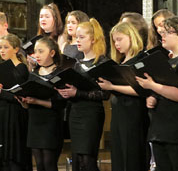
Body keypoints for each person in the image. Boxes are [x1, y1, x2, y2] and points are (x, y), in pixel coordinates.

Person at [136, 16, 178, 171]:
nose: (162, 36)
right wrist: (152, 95)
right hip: (160, 129)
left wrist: (153, 86)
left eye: (167, 32)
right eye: (162, 32)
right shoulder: (166, 60)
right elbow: (163, 86)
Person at [56, 18, 109, 171]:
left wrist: (77, 92)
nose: (77, 40)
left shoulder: (101, 62)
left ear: (93, 39)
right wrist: (66, 91)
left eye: (82, 37)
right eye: (76, 37)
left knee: (88, 158)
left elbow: (104, 94)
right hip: (75, 113)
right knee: (77, 160)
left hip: (91, 114)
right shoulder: (77, 63)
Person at [98, 21, 149, 171]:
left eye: (120, 39)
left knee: (132, 156)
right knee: (119, 155)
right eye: (114, 41)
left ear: (131, 37)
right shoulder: (120, 61)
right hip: (119, 112)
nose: (116, 44)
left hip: (134, 113)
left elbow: (140, 89)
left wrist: (112, 86)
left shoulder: (140, 59)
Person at [20, 37, 66, 171]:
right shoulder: (33, 74)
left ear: (52, 53)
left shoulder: (59, 74)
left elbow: (60, 103)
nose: (36, 55)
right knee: (39, 164)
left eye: (41, 51)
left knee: (49, 163)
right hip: (34, 120)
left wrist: (37, 101)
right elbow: (28, 101)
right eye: (35, 52)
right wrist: (24, 102)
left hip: (51, 121)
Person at [0, 34, 32, 171]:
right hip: (2, 113)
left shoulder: (21, 68)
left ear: (16, 49)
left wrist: (2, 92)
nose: (2, 50)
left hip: (15, 115)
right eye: (0, 47)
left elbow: (19, 95)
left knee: (14, 153)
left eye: (6, 47)